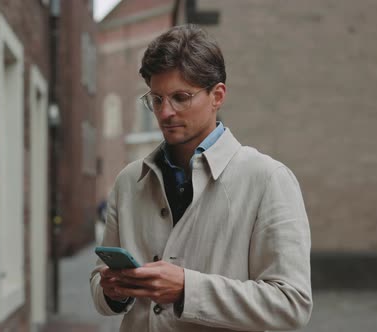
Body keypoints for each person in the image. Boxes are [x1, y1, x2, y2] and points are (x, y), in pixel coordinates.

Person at [90, 24, 312, 331]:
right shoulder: (128, 181)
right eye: (156, 99)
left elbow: (292, 305)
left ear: (217, 96)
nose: (165, 112)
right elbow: (99, 287)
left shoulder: (269, 179)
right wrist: (111, 291)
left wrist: (187, 289)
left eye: (181, 97)